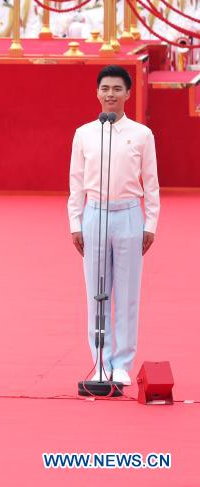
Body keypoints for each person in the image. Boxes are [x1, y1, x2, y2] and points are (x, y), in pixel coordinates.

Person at [68, 65, 159, 386]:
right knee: (96, 292)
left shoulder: (141, 134)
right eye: (105, 89)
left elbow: (151, 183)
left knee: (127, 292)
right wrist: (75, 223)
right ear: (97, 93)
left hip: (129, 214)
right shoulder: (84, 134)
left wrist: (150, 224)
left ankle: (122, 363)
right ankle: (100, 362)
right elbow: (75, 183)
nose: (111, 95)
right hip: (94, 214)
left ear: (128, 94)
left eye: (117, 89)